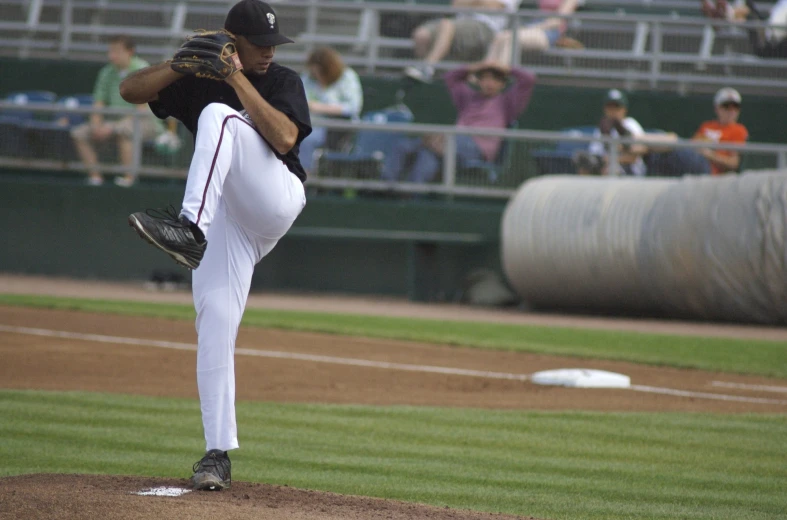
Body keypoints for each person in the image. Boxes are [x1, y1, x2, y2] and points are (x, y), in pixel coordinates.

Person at [118, 0, 310, 491]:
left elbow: (286, 138)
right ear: (232, 41)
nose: (269, 52)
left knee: (219, 116)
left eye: (273, 44)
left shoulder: (282, 81)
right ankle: (216, 454)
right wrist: (178, 64)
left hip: (274, 197)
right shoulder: (197, 79)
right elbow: (129, 90)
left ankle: (190, 229)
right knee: (215, 321)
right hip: (227, 217)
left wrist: (238, 79)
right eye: (259, 44)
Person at [385, 61, 535, 183]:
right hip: (450, 144)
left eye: (495, 79)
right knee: (417, 152)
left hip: (477, 149)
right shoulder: (467, 98)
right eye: (485, 78)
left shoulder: (507, 103)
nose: (490, 83)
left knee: (430, 143)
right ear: (479, 81)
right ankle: (394, 189)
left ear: (502, 83)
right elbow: (451, 77)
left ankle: (430, 141)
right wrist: (476, 66)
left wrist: (505, 68)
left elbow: (529, 79)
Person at [70, 34, 163, 187]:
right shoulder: (106, 72)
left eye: (117, 51)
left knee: (124, 132)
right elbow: (98, 103)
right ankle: (95, 177)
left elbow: (140, 109)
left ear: (130, 52)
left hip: (145, 121)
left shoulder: (142, 69)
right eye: (110, 51)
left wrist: (112, 127)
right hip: (113, 121)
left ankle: (129, 178)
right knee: (79, 133)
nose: (112, 56)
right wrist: (96, 125)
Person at [404, 0, 522, 83]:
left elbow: (495, 6)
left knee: (446, 25)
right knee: (422, 35)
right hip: (458, 24)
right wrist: (479, 3)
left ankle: (427, 67)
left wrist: (471, 3)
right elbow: (456, 4)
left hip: (486, 27)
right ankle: (428, 74)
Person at [647, 88, 749, 177]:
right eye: (726, 106)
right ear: (717, 108)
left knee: (672, 141)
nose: (731, 111)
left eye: (735, 107)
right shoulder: (708, 126)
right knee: (659, 147)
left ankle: (639, 139)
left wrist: (709, 154)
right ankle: (640, 141)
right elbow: (692, 144)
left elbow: (734, 163)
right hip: (693, 158)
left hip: (709, 168)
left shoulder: (738, 130)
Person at [299, 46, 363, 172]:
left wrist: (320, 107)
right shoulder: (307, 77)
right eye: (314, 72)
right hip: (311, 123)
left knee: (307, 139)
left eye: (320, 72)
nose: (317, 76)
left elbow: (353, 107)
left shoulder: (347, 76)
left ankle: (307, 177)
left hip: (340, 128)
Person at [573, 89, 650, 176]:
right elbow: (595, 153)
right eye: (610, 107)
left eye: (616, 107)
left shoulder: (630, 124)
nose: (613, 111)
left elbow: (638, 153)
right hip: (607, 167)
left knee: (610, 169)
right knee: (585, 169)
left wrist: (610, 158)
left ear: (624, 109)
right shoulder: (601, 128)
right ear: (605, 109)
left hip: (631, 170)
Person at [485, 0, 582, 66]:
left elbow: (556, 21)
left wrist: (532, 28)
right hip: (534, 26)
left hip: (551, 32)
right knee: (500, 37)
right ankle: (484, 74)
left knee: (512, 39)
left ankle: (500, 76)